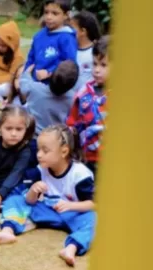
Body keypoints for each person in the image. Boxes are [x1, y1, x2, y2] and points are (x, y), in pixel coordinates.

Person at [0, 125, 96, 267]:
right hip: (46, 210)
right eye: (38, 149)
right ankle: (7, 231)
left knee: (95, 220)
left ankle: (71, 248)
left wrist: (71, 206)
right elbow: (30, 201)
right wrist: (33, 191)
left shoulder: (80, 174)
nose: (39, 155)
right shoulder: (40, 170)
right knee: (15, 200)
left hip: (73, 214)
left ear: (64, 151)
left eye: (45, 151)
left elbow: (94, 204)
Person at [68, 35, 109, 175]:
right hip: (86, 158)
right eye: (95, 64)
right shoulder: (84, 92)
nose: (97, 70)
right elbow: (72, 122)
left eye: (103, 65)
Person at [18, 59, 79, 132]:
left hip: (32, 134)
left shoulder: (35, 89)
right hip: (54, 136)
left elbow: (23, 84)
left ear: (51, 75)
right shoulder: (72, 99)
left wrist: (27, 72)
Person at [24, 0, 77, 83]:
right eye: (46, 12)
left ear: (66, 15)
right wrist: (24, 75)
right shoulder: (39, 35)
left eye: (55, 13)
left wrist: (50, 72)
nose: (49, 17)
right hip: (32, 82)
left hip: (53, 85)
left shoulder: (67, 38)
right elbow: (31, 58)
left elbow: (70, 64)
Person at [71, 10, 101, 92]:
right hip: (70, 97)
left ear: (83, 31)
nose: (70, 31)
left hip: (89, 97)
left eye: (72, 28)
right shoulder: (70, 50)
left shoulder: (95, 52)